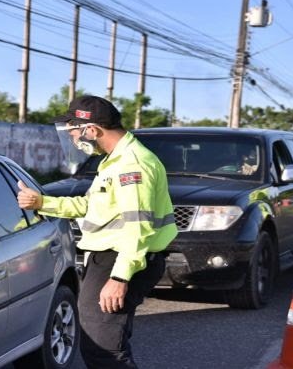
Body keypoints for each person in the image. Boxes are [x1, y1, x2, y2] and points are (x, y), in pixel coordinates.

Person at [17, 95, 177, 368]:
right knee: (103, 344)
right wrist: (43, 203)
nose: (73, 139)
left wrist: (119, 277)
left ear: (91, 130)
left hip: (119, 261)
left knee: (104, 350)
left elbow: (137, 226)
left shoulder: (131, 165)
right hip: (110, 258)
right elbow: (91, 206)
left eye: (73, 131)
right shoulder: (114, 161)